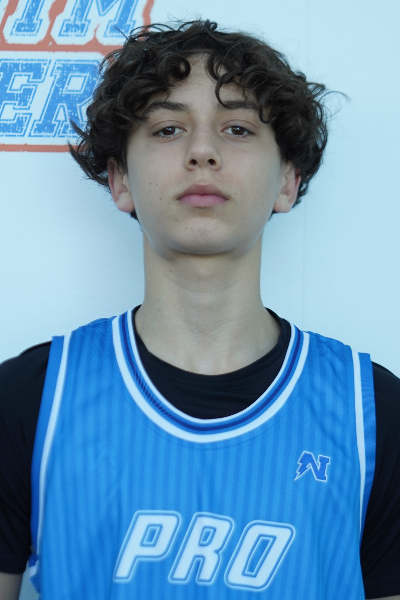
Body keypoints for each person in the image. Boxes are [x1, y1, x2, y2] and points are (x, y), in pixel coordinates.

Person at [0, 20, 399, 600]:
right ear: (120, 180)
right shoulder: (31, 402)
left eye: (237, 128)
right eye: (168, 128)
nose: (203, 152)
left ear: (288, 181)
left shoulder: (373, 416)